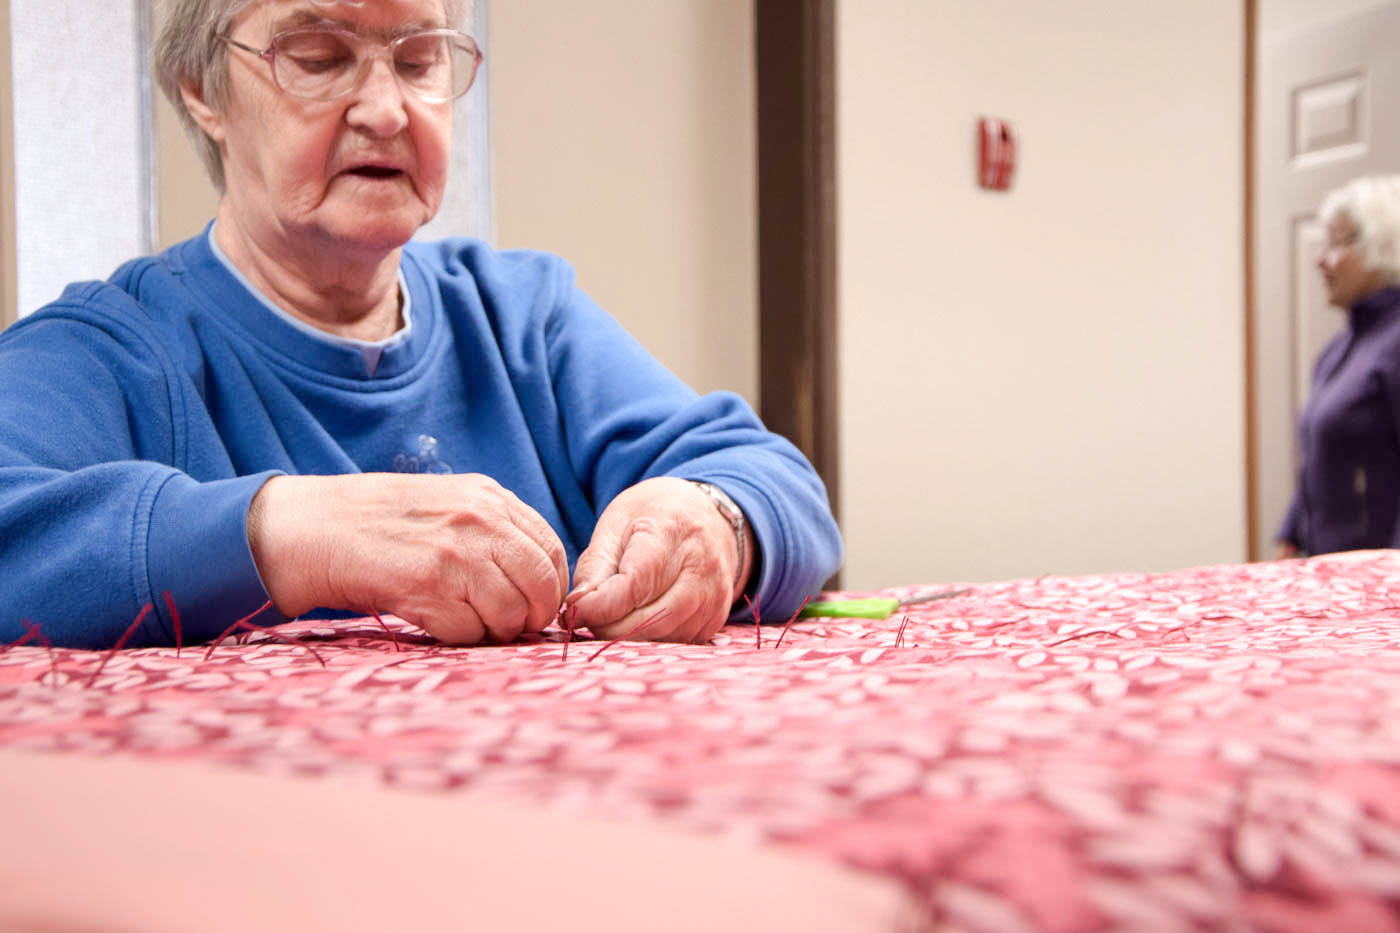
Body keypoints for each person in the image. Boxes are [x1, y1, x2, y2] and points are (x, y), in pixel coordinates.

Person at [0, 0, 841, 649]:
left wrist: (716, 519)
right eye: (320, 56)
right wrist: (293, 533)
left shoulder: (520, 315)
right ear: (201, 90)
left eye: (419, 58)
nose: (387, 111)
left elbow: (776, 482)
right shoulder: (114, 348)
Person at [1277, 175, 1400, 558]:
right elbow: (1319, 460)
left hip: (1378, 590)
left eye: (1336, 243)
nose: (1320, 260)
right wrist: (1289, 537)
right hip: (1327, 575)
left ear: (1381, 246)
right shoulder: (1338, 349)